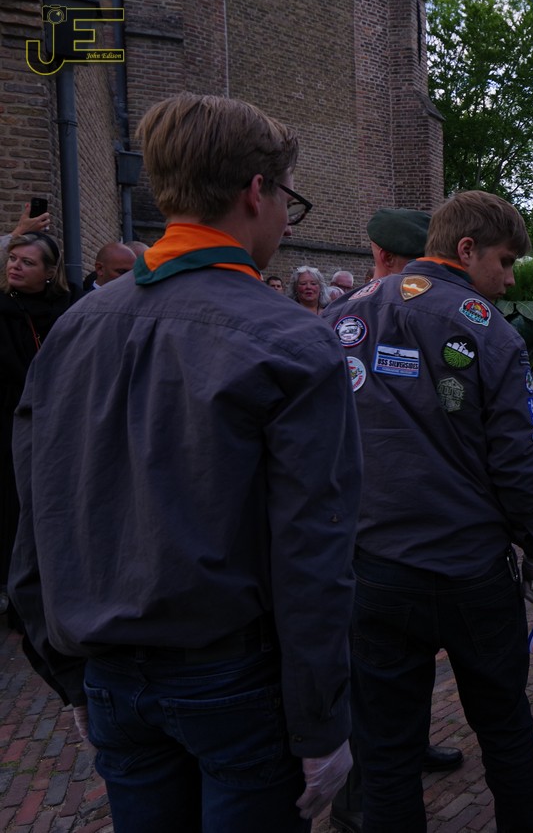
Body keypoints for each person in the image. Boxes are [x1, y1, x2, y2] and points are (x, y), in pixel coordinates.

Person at [7, 93, 358, 832]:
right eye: (288, 201)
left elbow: (37, 514)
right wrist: (321, 722)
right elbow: (313, 549)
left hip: (109, 672)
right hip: (234, 679)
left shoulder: (72, 329)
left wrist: (69, 673)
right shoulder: (293, 341)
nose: (285, 222)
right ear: (256, 192)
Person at [326, 190, 533, 832]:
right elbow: (518, 461)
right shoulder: (492, 330)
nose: (510, 280)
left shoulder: (345, 315)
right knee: (504, 725)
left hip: (375, 570)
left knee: (386, 749)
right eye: (505, 262)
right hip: (470, 571)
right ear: (467, 249)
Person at [328, 205, 460, 833]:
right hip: (384, 520)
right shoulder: (368, 318)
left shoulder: (350, 318)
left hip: (382, 523)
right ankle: (357, 794)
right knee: (372, 668)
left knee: (394, 660)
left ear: (378, 254)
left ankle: (403, 754)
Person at [0, 232, 69, 620]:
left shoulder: (67, 309)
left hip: (58, 420)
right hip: (9, 420)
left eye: (27, 262)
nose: (15, 266)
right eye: (13, 258)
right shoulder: (2, 309)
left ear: (48, 272)